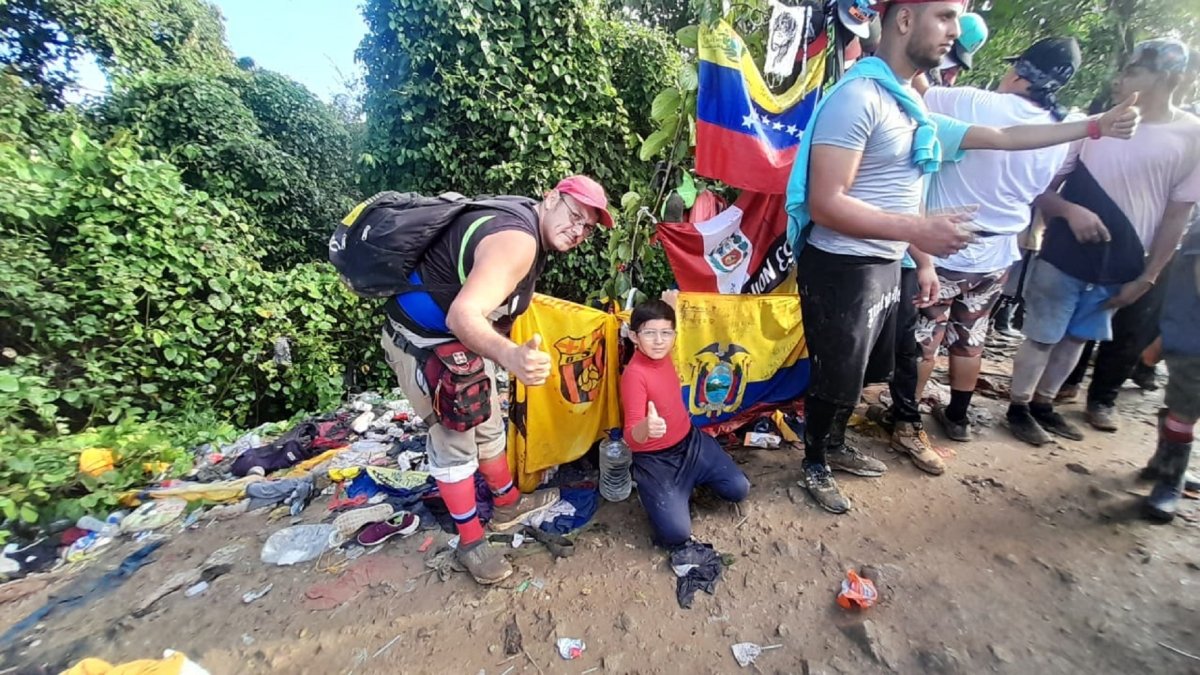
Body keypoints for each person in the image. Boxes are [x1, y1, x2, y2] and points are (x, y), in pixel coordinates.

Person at [785, 0, 1141, 512]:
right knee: (836, 373)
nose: (956, 32)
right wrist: (918, 230)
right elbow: (827, 202)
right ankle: (815, 461)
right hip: (844, 263)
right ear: (905, 19)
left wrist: (1092, 127)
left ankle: (836, 446)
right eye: (946, 17)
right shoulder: (860, 98)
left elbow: (1005, 137)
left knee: (867, 370)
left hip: (889, 260)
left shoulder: (913, 109)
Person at [380, 175, 613, 584]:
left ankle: (507, 502)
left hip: (461, 341)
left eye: (588, 228)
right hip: (426, 341)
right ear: (551, 197)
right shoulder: (518, 240)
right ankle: (470, 543)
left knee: (487, 422)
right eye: (575, 216)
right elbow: (462, 315)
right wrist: (510, 356)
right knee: (455, 439)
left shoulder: (527, 223)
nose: (578, 231)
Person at [912, 38, 1106, 444]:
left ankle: (908, 415)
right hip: (998, 251)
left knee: (926, 338)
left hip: (947, 244)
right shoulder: (1060, 129)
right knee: (972, 336)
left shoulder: (975, 103)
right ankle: (958, 417)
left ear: (1019, 73)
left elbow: (919, 90)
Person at [1007, 39, 1200, 446]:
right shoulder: (1093, 126)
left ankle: (1044, 405)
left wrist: (1148, 276)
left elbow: (1176, 215)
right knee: (1042, 334)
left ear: (1164, 77)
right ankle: (1018, 407)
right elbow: (1040, 189)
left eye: (1133, 70)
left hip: (1121, 263)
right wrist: (1069, 211)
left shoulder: (1190, 136)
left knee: (1078, 337)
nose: (1121, 78)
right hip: (1063, 255)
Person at [620, 300, 750, 547]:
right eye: (649, 333)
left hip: (691, 442)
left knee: (738, 489)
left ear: (674, 336)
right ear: (634, 337)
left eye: (665, 333)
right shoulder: (634, 375)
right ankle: (656, 490)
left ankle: (690, 484)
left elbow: (666, 324)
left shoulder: (666, 352)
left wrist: (671, 304)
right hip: (656, 459)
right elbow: (629, 436)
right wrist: (646, 428)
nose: (659, 341)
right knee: (676, 535)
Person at [1143, 226, 1200, 522]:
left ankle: (1165, 463)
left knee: (1185, 406)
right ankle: (1169, 480)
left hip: (1188, 335)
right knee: (1185, 410)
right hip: (1193, 339)